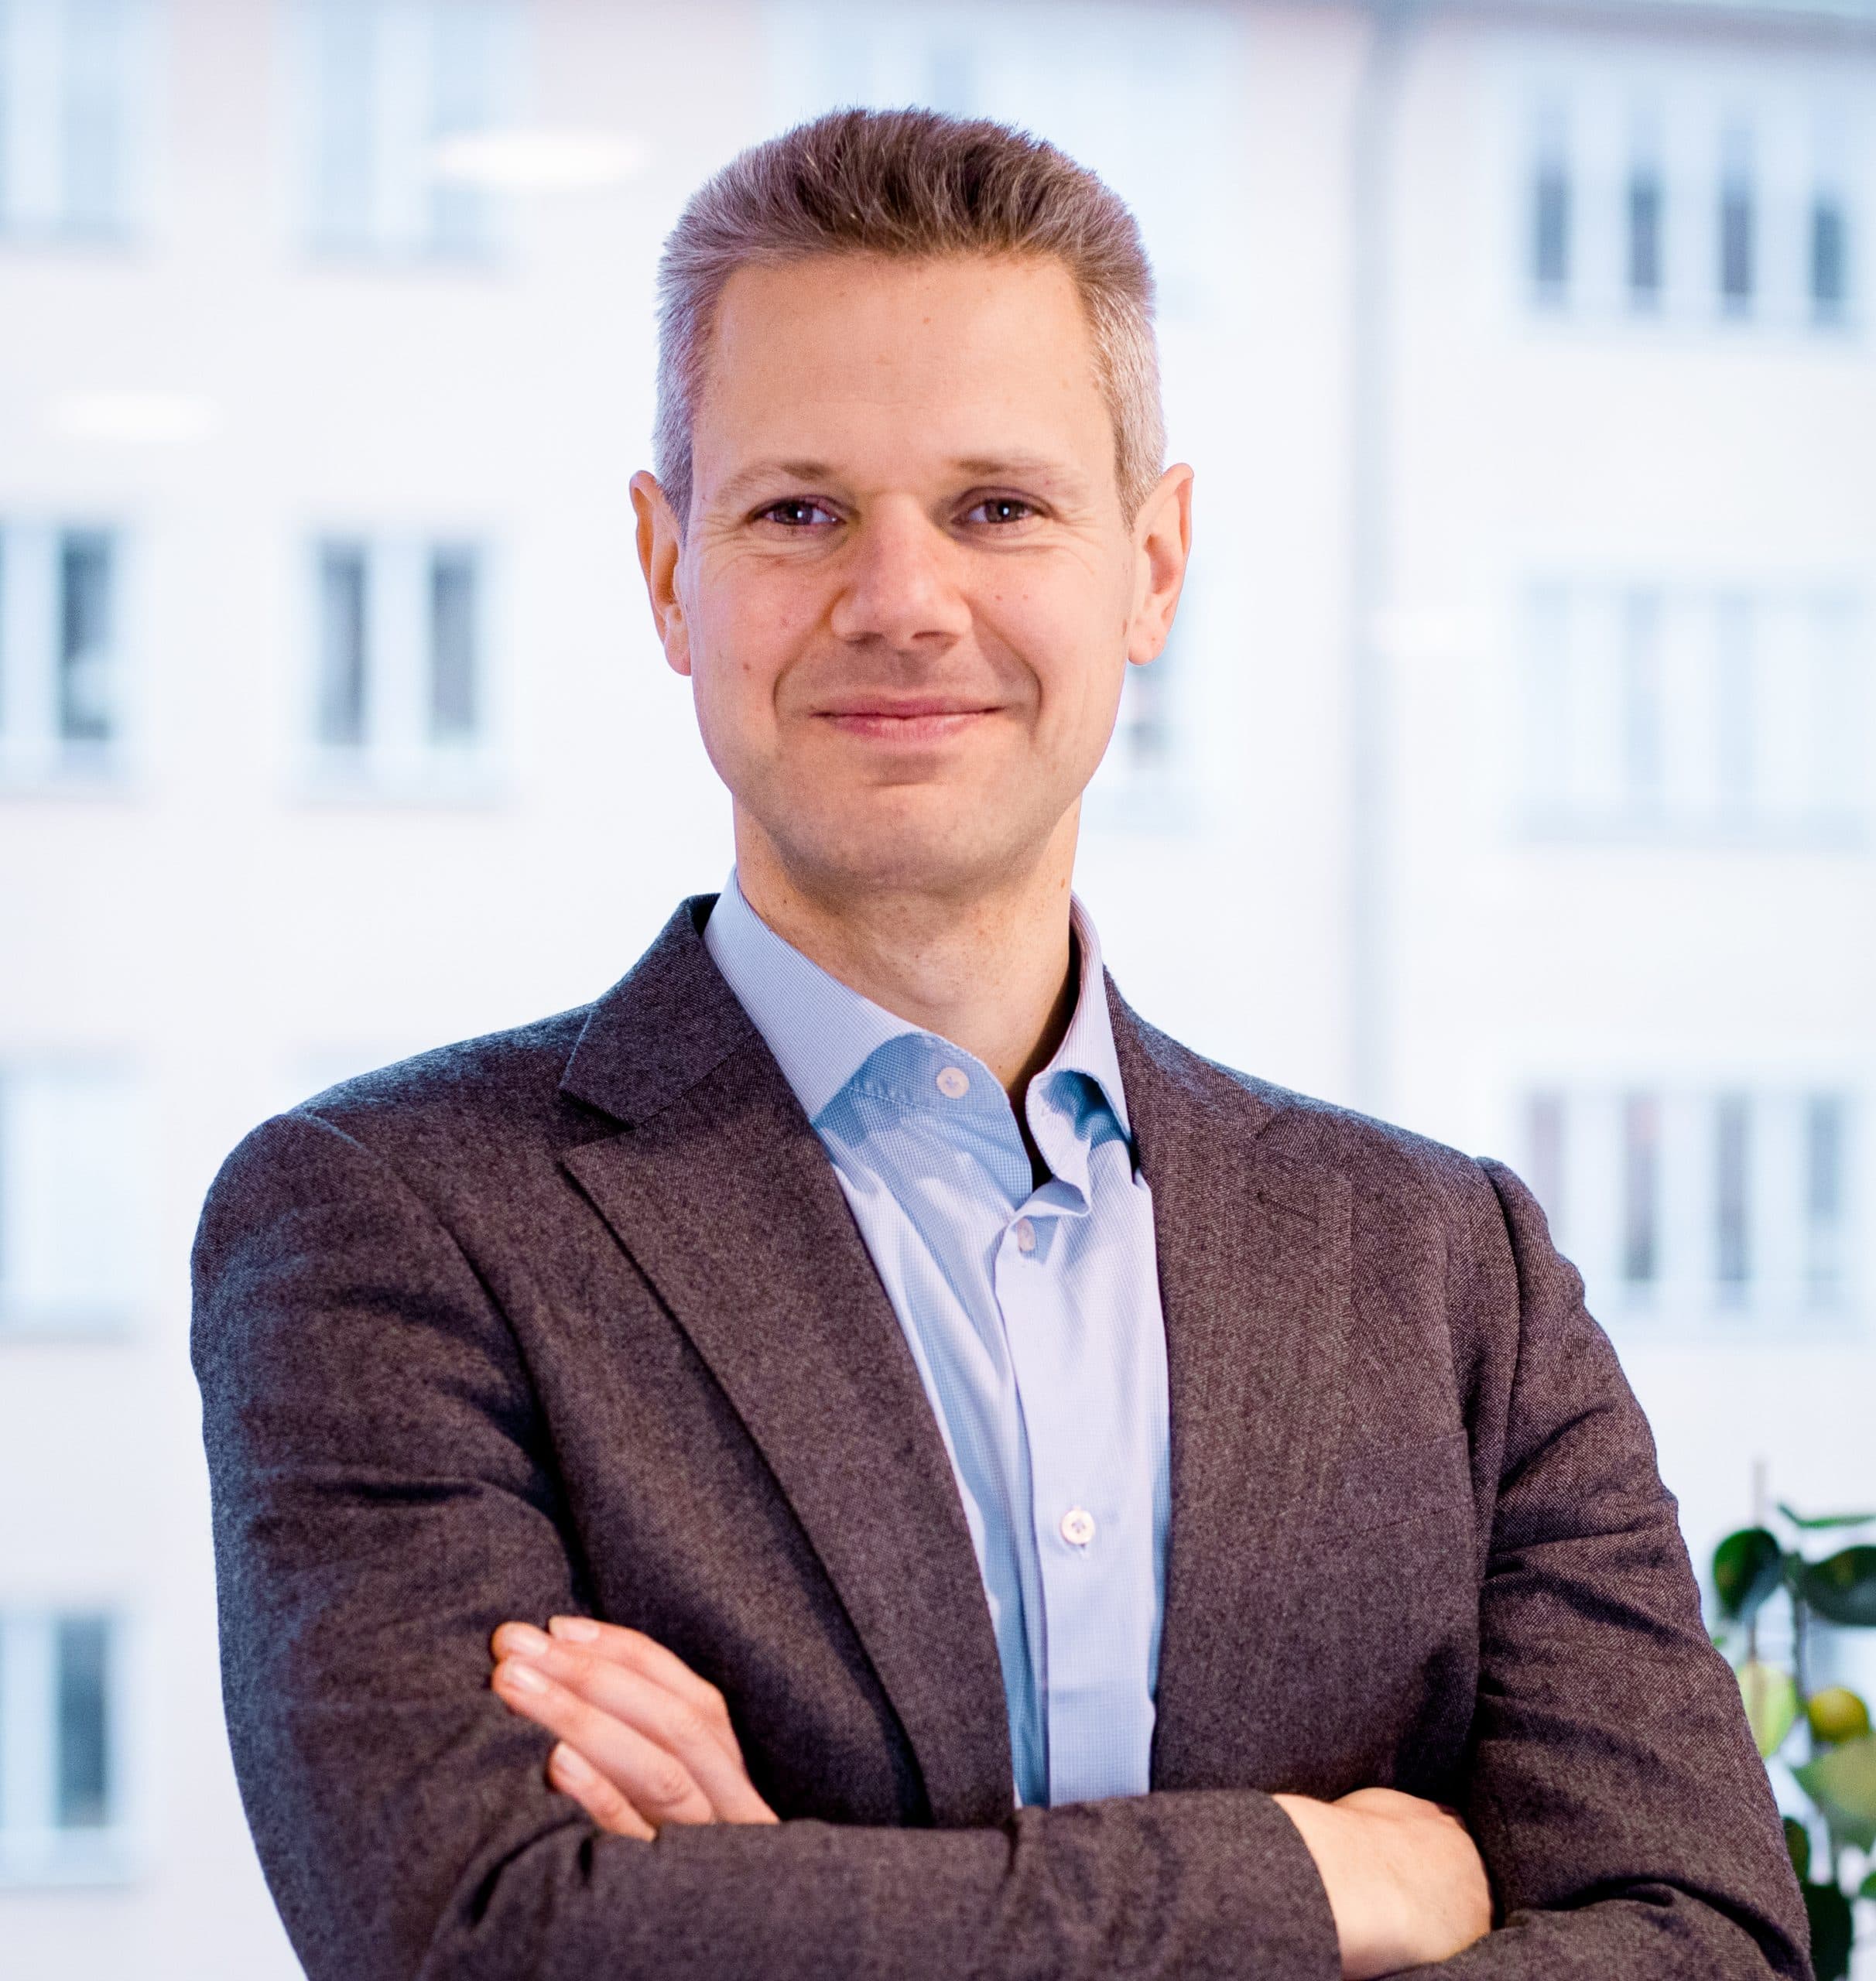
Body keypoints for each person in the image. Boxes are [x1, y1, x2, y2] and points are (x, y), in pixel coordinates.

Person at [192, 109, 1809, 1981]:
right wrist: (1314, 1879)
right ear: (664, 568)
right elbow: (484, 1940)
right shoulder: (387, 1228)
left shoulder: (1452, 1271)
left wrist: (792, 1913)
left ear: (1153, 565)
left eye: (996, 508)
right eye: (799, 512)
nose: (901, 601)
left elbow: (1712, 1943)